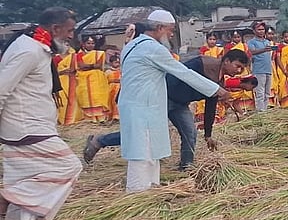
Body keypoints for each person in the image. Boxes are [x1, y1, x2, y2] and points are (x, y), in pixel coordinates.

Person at [117, 10, 232, 193]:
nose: (171, 34)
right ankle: (137, 193)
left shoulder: (132, 45)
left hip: (141, 105)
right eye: (170, 30)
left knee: (151, 152)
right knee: (142, 153)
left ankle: (151, 190)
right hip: (142, 107)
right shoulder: (153, 49)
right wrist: (216, 89)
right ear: (159, 27)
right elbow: (183, 73)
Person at [85, 50, 254, 170]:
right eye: (237, 66)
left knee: (190, 132)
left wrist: (208, 135)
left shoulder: (219, 83)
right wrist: (157, 98)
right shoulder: (202, 63)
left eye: (241, 69)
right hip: (163, 98)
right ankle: (100, 141)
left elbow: (211, 106)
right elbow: (177, 74)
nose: (238, 71)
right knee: (144, 132)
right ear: (226, 61)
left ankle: (186, 166)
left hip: (180, 105)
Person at [0, 8, 83, 220]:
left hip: (28, 125)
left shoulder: (35, 47)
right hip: (26, 126)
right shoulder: (29, 51)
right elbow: (2, 89)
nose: (70, 36)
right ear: (55, 29)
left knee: (29, 176)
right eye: (69, 31)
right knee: (69, 166)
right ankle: (6, 198)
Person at [74, 35, 111, 122]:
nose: (91, 45)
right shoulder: (79, 54)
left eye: (92, 43)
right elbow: (81, 66)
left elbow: (99, 65)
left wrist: (88, 66)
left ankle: (101, 118)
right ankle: (89, 118)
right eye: (88, 43)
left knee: (98, 96)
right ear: (83, 44)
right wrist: (92, 66)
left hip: (97, 79)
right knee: (86, 97)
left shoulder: (99, 54)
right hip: (83, 79)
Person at [245, 21, 274, 112]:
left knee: (267, 92)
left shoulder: (267, 41)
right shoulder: (251, 42)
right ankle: (260, 111)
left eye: (262, 29)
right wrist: (264, 50)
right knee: (260, 92)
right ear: (254, 31)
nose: (261, 31)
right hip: (258, 69)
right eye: (259, 29)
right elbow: (252, 52)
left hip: (268, 69)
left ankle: (264, 110)